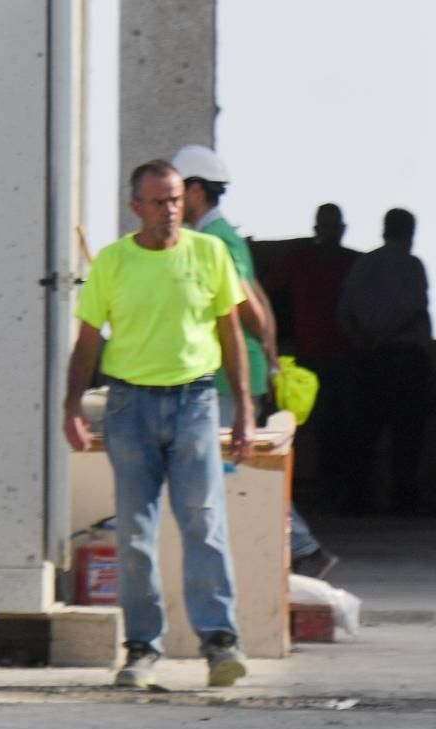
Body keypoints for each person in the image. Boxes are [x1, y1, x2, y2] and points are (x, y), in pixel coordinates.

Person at [62, 159, 254, 688]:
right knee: (135, 535)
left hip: (194, 400)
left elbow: (231, 332)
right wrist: (71, 405)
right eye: (158, 202)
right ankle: (142, 648)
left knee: (204, 522)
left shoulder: (209, 252)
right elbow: (87, 340)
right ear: (135, 209)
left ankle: (220, 643)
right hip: (130, 408)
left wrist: (244, 408)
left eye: (175, 200)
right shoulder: (113, 263)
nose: (170, 211)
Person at [173, 145, 339, 580]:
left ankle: (303, 547)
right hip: (238, 368)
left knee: (231, 464)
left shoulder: (212, 241)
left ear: (195, 191)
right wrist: (267, 352)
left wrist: (262, 351)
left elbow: (246, 302)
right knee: (233, 463)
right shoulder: (226, 236)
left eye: (175, 193)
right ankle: (300, 548)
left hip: (228, 374)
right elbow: (259, 295)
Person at [338, 208, 434, 515]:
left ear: (383, 230)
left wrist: (364, 341)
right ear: (411, 232)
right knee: (407, 434)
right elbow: (413, 312)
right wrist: (383, 338)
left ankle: (357, 499)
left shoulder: (364, 263)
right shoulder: (412, 265)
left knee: (364, 432)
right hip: (404, 357)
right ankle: (404, 500)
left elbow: (344, 311)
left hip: (368, 357)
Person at [264, 203, 361, 505]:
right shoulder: (298, 260)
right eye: (325, 226)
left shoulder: (354, 262)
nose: (330, 232)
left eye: (334, 226)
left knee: (344, 425)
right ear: (317, 230)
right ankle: (318, 489)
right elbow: (265, 292)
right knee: (313, 427)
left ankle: (341, 490)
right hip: (309, 356)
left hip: (345, 354)